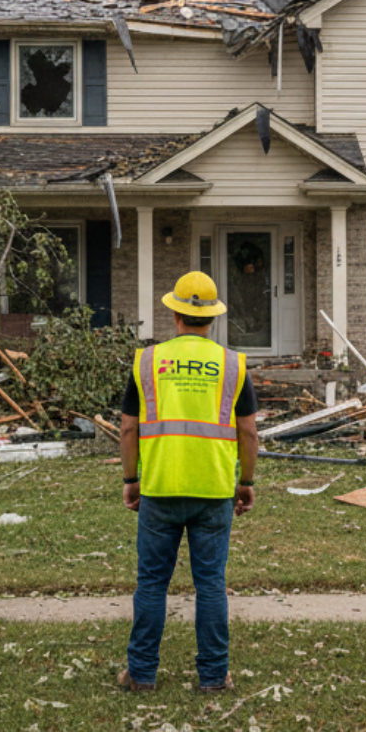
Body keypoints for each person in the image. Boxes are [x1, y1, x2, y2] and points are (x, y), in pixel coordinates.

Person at [118, 270, 259, 693]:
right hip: (215, 492)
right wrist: (246, 481)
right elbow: (249, 433)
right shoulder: (232, 364)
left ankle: (140, 675)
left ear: (175, 314)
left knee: (152, 585)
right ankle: (214, 677)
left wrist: (130, 478)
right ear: (211, 318)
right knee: (211, 584)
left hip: (159, 488)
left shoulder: (146, 362)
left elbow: (128, 430)